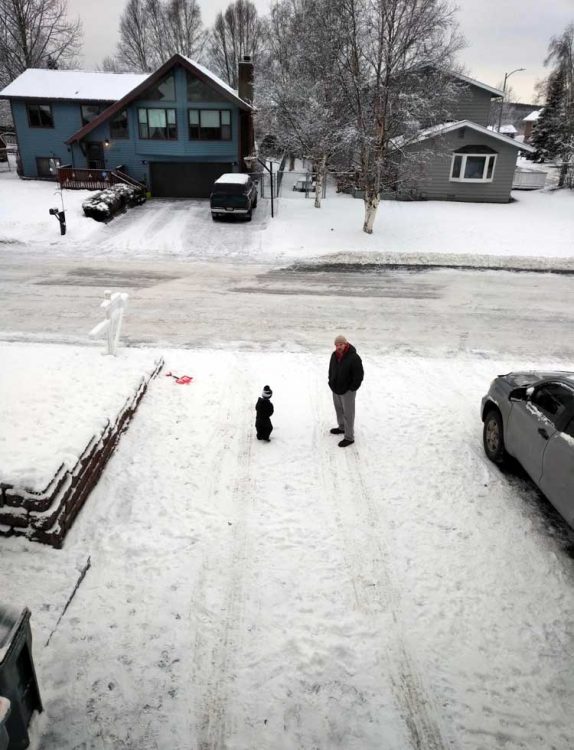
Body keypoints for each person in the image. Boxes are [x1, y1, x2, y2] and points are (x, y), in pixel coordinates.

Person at [328, 335, 364, 447]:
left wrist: (352, 388)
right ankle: (342, 427)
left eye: (341, 344)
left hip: (348, 391)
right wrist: (331, 382)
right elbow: (331, 370)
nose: (339, 347)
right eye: (337, 345)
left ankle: (349, 437)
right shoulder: (334, 355)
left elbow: (359, 375)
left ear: (346, 344)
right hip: (336, 389)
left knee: (348, 413)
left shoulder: (354, 357)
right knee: (339, 410)